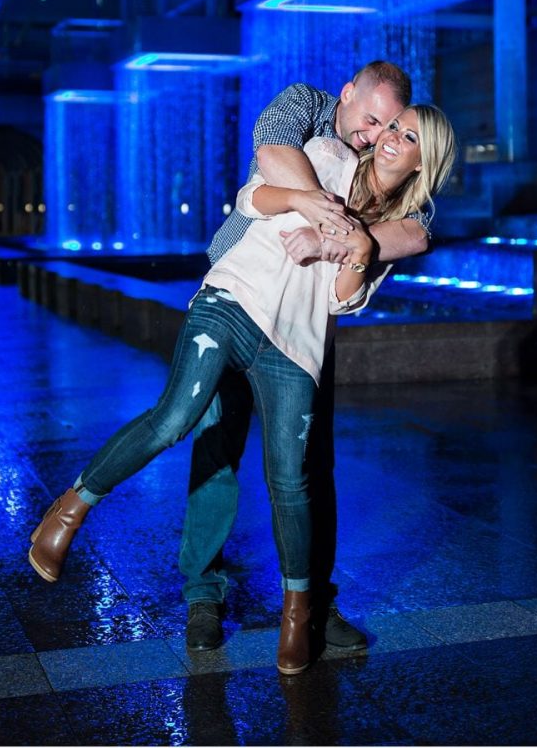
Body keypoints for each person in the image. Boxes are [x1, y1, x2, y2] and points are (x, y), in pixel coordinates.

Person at [28, 105, 456, 674]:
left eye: (406, 137)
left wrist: (355, 246)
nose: (388, 139)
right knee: (177, 417)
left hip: (294, 347)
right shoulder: (327, 156)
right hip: (233, 302)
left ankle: (299, 617)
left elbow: (341, 299)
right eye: (391, 127)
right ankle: (67, 513)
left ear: (425, 161)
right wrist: (312, 206)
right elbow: (252, 200)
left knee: (291, 479)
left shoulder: (398, 227)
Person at [186, 63, 434, 654]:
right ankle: (202, 593)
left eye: (390, 128)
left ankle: (314, 603)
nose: (375, 137)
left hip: (305, 325)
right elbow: (272, 152)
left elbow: (418, 224)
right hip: (239, 298)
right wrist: (336, 219)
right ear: (347, 94)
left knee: (310, 465)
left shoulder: (382, 155)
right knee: (217, 446)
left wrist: (364, 241)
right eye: (371, 119)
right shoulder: (303, 103)